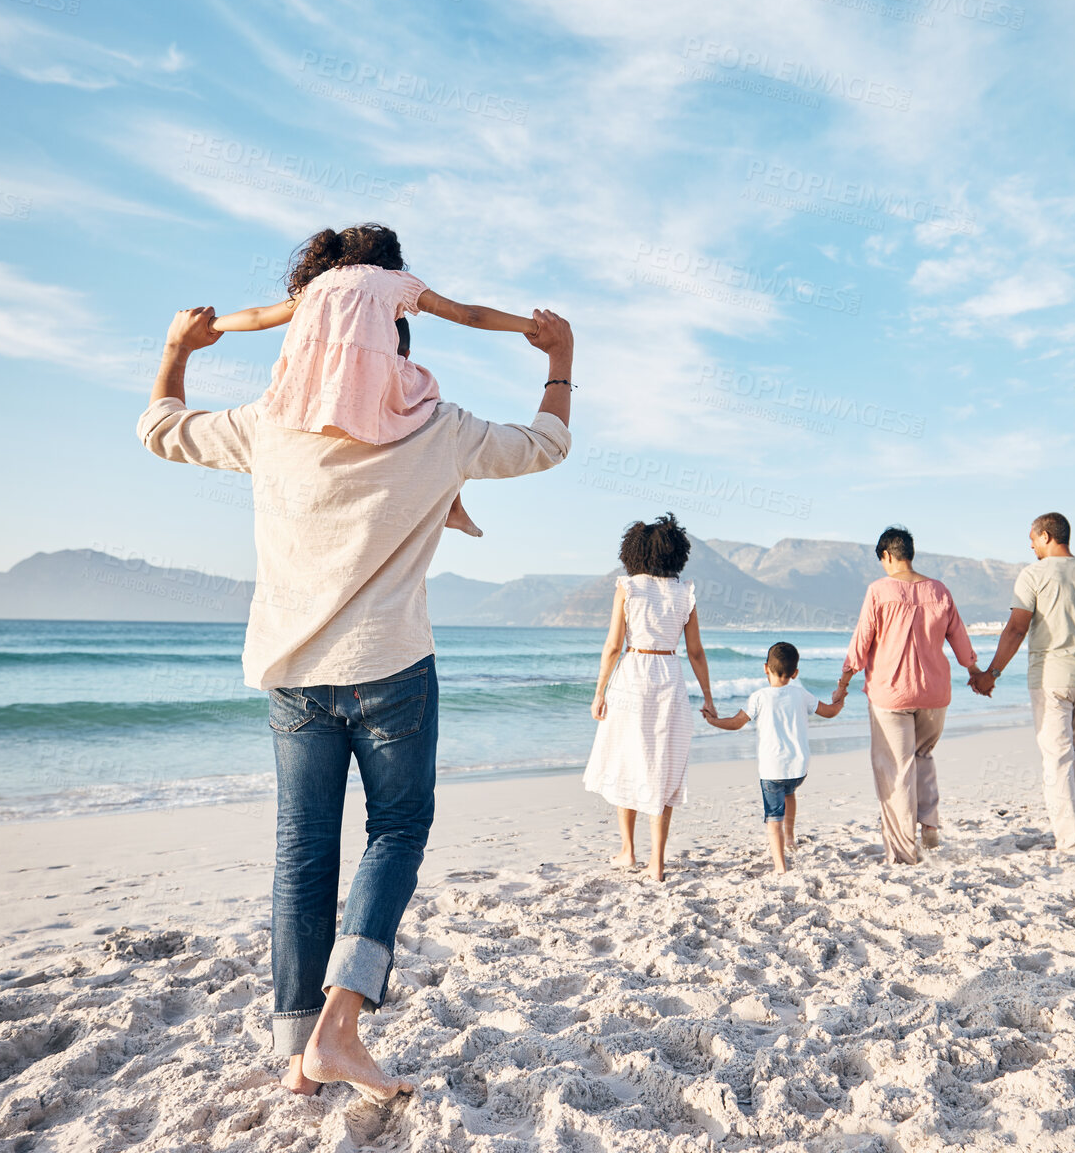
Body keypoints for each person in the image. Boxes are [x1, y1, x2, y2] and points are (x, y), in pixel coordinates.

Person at [137, 302, 575, 1101]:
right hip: (393, 665)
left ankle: (298, 1053)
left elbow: (161, 428)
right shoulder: (439, 427)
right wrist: (560, 358)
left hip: (295, 672)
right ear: (398, 354)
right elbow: (547, 445)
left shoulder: (272, 423)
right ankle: (338, 1027)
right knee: (398, 829)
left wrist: (177, 347)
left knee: (301, 853)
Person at [211, 223, 537, 539]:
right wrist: (532, 327)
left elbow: (257, 317)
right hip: (370, 386)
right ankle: (453, 505)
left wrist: (212, 324)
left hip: (310, 389)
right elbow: (468, 315)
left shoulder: (316, 286)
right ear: (389, 260)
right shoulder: (398, 282)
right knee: (432, 405)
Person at [835, 526, 986, 864]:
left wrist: (843, 684)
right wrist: (976, 674)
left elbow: (860, 644)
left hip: (891, 694)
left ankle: (903, 851)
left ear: (888, 556)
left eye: (883, 561)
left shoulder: (879, 590)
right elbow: (961, 642)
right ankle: (929, 822)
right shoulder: (939, 590)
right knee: (923, 756)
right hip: (935, 693)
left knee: (896, 769)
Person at [972, 512, 1075, 852]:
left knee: (1057, 758)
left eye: (1034, 539)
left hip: (1052, 678)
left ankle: (1069, 840)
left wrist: (991, 674)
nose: (1031, 545)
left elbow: (1017, 628)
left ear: (1047, 536)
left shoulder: (1034, 574)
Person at [583, 514, 716, 882]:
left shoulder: (628, 587)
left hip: (633, 674)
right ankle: (657, 863)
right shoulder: (684, 591)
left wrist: (599, 692)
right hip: (669, 675)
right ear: (677, 553)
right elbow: (697, 652)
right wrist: (708, 696)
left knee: (627, 759)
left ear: (634, 552)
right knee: (664, 767)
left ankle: (627, 851)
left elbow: (613, 646)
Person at [701, 641, 845, 873]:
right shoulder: (801, 694)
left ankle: (780, 867)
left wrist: (712, 720)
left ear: (765, 667)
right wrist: (841, 698)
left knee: (773, 817)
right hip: (799, 769)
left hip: (772, 770)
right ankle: (790, 838)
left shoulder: (759, 697)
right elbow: (829, 712)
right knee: (790, 793)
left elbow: (736, 723)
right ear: (795, 673)